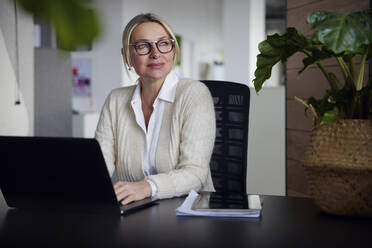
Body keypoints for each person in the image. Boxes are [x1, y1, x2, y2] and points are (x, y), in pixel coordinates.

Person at [95, 13, 215, 205]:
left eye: (164, 43)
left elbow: (195, 173)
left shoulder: (194, 94)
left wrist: (147, 187)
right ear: (127, 56)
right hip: (134, 212)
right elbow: (99, 167)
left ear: (173, 50)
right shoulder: (116, 100)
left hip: (188, 213)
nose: (155, 53)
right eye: (143, 46)